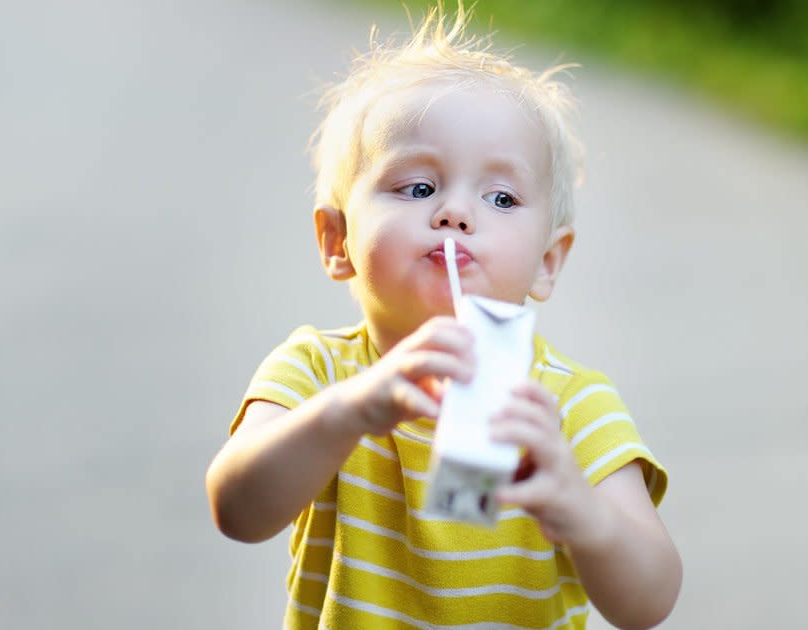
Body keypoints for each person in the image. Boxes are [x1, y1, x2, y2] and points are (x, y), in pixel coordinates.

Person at [205, 5, 682, 628]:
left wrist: (580, 508)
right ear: (335, 240)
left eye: (501, 197)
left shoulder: (569, 405)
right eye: (419, 188)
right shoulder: (318, 372)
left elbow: (650, 603)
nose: (456, 213)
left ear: (548, 260)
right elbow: (238, 511)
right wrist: (347, 413)